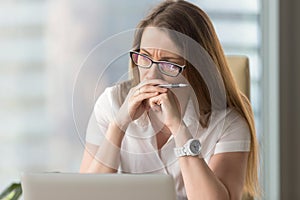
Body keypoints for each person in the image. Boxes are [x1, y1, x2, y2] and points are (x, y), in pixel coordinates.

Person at [80, 1, 260, 199]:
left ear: (197, 70)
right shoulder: (112, 103)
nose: (151, 75)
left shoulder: (228, 124)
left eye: (168, 64)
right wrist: (118, 125)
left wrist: (178, 127)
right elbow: (87, 194)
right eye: (145, 57)